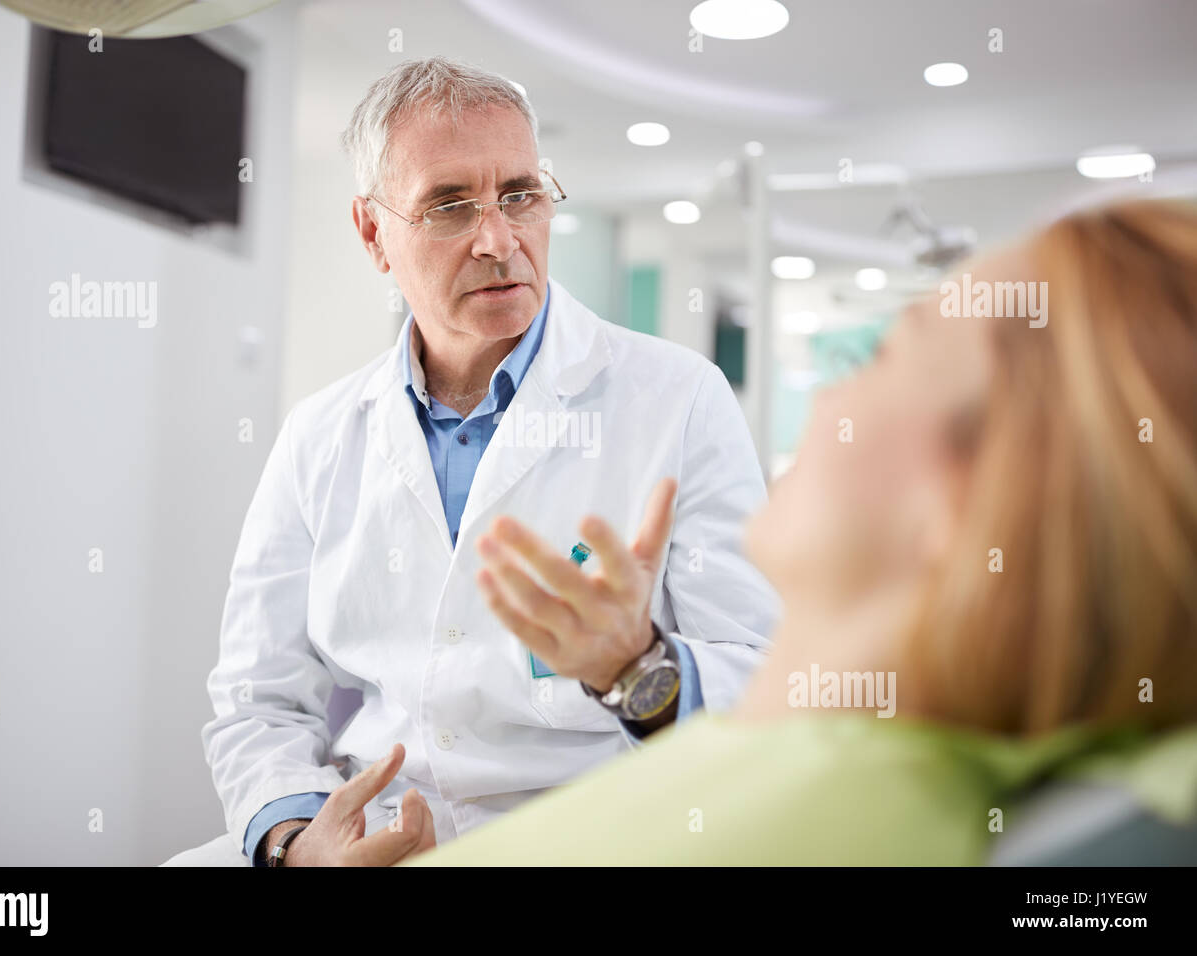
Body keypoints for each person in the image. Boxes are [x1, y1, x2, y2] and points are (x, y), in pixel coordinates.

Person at [406, 198, 1197, 865]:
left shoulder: (808, 820)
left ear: (976, 498)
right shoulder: (866, 763)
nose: (829, 399)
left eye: (890, 354)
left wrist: (642, 668)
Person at [164, 57, 778, 867]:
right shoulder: (318, 436)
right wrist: (294, 841)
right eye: (450, 206)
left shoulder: (679, 399)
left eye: (520, 194)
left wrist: (640, 666)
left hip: (596, 835)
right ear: (373, 233)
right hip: (377, 830)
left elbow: (763, 674)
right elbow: (259, 698)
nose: (500, 239)